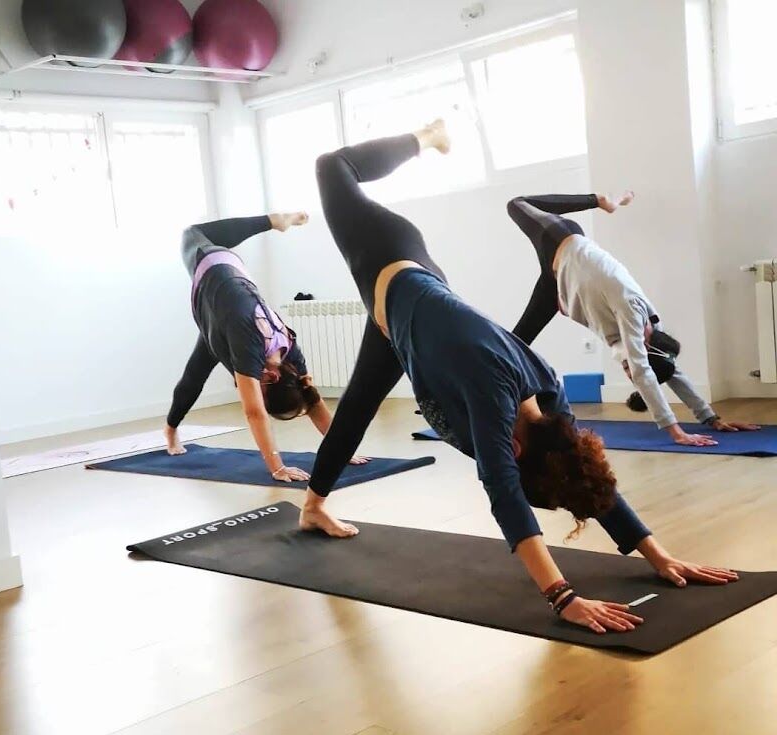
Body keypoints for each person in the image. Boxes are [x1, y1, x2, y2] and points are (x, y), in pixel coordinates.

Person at [298, 121, 738, 635]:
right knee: (331, 166)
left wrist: (658, 554)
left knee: (355, 408)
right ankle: (427, 137)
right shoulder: (494, 406)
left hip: (406, 319)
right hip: (388, 254)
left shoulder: (550, 400)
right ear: (517, 448)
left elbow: (584, 476)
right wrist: (562, 597)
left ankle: (313, 508)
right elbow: (504, 492)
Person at [506, 192, 760, 445]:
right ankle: (601, 200)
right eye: (630, 369)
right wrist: (676, 432)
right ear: (645, 345)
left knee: (514, 344)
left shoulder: (650, 338)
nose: (627, 371)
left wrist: (711, 419)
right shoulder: (632, 311)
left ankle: (503, 401)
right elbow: (642, 371)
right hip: (561, 241)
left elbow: (671, 372)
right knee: (517, 205)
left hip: (557, 281)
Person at [165, 211, 367, 482]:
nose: (256, 395)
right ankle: (272, 220)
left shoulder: (291, 356)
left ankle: (273, 222)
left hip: (223, 308)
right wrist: (277, 467)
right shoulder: (249, 346)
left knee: (194, 376)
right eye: (263, 393)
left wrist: (341, 450)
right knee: (191, 234)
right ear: (272, 377)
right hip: (211, 265)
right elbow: (254, 413)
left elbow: (312, 400)